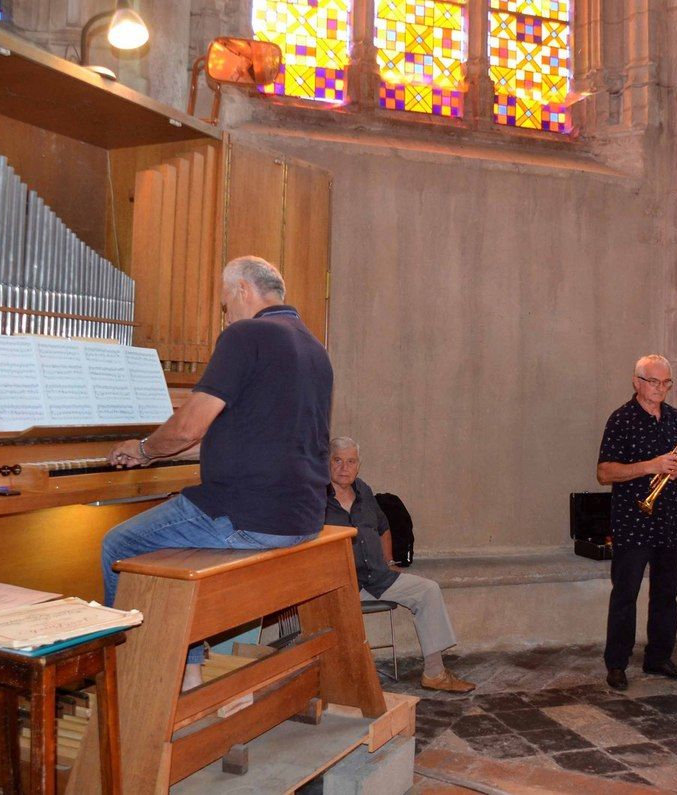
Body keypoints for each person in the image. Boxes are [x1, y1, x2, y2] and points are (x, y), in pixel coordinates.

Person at [103, 255, 333, 690]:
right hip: (302, 515)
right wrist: (166, 452)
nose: (226, 315)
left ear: (243, 289)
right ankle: (189, 674)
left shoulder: (246, 335)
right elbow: (254, 432)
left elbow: (188, 428)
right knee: (177, 547)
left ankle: (132, 682)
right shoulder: (313, 348)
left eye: (226, 303)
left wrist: (144, 450)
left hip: (248, 515)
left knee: (119, 544)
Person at [325, 437, 476, 693]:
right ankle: (342, 680)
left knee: (428, 590)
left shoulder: (364, 491)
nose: (344, 468)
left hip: (379, 577)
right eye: (337, 460)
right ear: (327, 463)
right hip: (341, 585)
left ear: (358, 465)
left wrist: (389, 561)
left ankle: (435, 674)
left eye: (351, 461)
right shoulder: (317, 498)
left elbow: (383, 527)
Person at [597, 354, 677, 691]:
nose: (661, 388)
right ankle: (617, 663)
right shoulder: (621, 419)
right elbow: (604, 472)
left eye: (666, 382)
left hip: (669, 520)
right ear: (637, 382)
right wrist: (650, 465)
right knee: (626, 594)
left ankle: (658, 657)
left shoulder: (674, 418)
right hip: (633, 520)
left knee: (667, 593)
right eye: (654, 381)